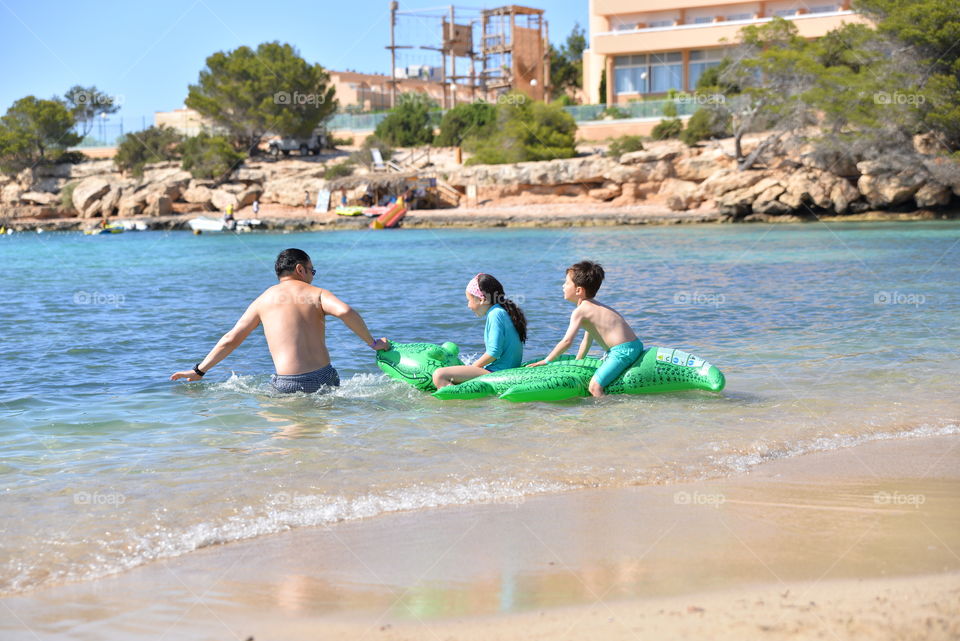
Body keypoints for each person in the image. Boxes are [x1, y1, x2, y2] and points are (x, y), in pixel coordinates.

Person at [170, 248, 389, 393]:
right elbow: (345, 311)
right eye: (312, 270)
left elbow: (231, 339)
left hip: (285, 383)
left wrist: (199, 370)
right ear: (300, 269)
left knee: (287, 439)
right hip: (322, 378)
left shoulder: (263, 300)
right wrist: (372, 342)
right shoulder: (316, 293)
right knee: (323, 435)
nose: (312, 276)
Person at [527, 261, 642, 397]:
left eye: (566, 283)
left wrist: (547, 360)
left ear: (578, 290)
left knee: (594, 387)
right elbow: (587, 340)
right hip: (630, 347)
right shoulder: (594, 307)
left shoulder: (581, 311)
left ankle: (606, 413)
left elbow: (567, 341)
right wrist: (578, 362)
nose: (563, 286)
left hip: (622, 352)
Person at [433, 273, 527, 389]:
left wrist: (473, 367)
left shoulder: (495, 314)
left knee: (439, 375)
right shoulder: (503, 311)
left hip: (498, 373)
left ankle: (456, 403)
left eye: (469, 300)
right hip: (505, 369)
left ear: (482, 299)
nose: (468, 305)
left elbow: (493, 353)